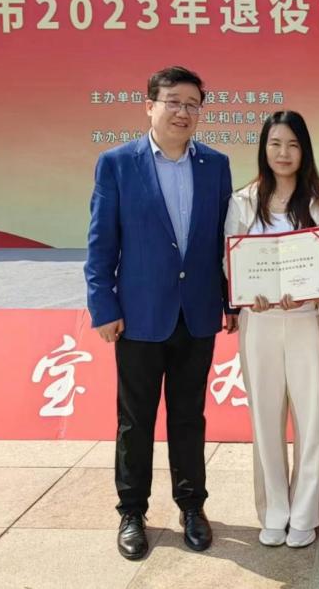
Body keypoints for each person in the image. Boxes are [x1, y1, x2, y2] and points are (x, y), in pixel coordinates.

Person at [84, 65, 236, 560]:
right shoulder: (117, 164)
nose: (182, 112)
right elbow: (101, 243)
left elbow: (225, 241)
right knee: (136, 420)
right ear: (149, 105)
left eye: (192, 104)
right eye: (173, 102)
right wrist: (103, 305)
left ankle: (192, 507)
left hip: (197, 314)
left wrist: (231, 300)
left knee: (189, 416)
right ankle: (132, 511)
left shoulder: (215, 165)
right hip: (139, 315)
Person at [224, 110, 319, 549]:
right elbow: (229, 259)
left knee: (310, 419)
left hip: (309, 321)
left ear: (304, 150)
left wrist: (315, 290)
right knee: (265, 419)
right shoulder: (243, 201)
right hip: (261, 322)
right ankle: (274, 511)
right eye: (275, 144)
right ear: (263, 148)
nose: (283, 153)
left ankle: (306, 512)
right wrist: (246, 293)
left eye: (292, 144)